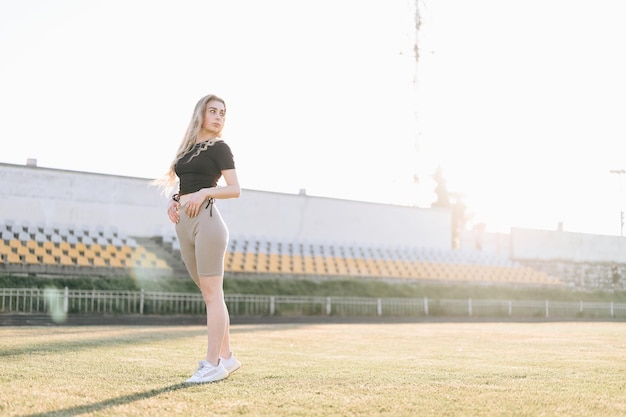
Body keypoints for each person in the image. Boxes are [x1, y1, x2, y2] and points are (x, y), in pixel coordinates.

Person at [156, 94, 241, 383]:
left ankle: (212, 363)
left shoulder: (220, 148)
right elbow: (186, 184)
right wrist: (174, 198)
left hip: (208, 222)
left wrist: (205, 192)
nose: (218, 117)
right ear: (200, 114)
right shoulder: (188, 149)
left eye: (223, 113)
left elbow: (234, 189)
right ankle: (228, 356)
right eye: (213, 111)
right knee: (211, 294)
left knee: (211, 294)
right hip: (185, 225)